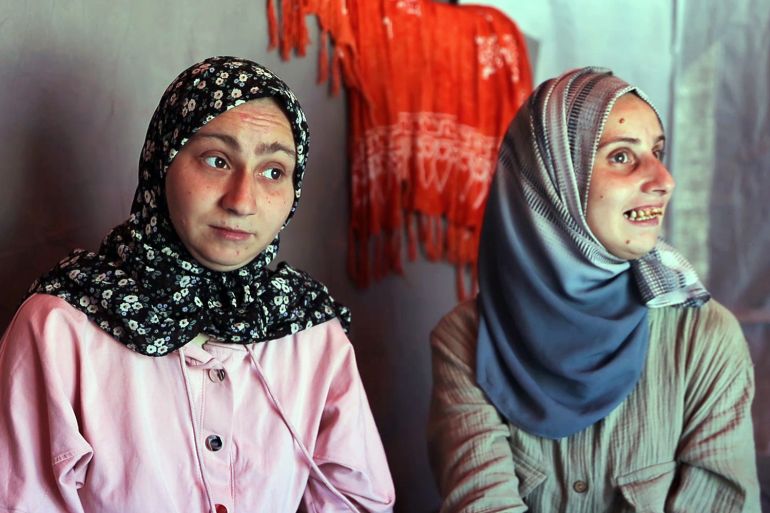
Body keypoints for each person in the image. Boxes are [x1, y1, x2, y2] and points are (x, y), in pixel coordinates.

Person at [0, 56, 395, 513]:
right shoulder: (60, 328)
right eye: (217, 160)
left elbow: (357, 501)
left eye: (273, 171)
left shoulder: (307, 329)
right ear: (163, 162)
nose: (242, 201)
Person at [427, 67, 760, 512]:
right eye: (621, 156)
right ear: (552, 181)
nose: (664, 180)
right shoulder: (466, 340)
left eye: (657, 152)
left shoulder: (703, 338)